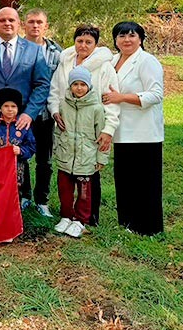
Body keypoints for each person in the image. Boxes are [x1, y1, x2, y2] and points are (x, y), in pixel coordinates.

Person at [0, 7, 51, 209]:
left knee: (18, 160)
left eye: (11, 20)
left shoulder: (34, 50)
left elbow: (42, 84)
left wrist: (29, 113)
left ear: (19, 23)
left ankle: (18, 201)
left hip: (19, 120)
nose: (7, 23)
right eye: (2, 20)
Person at [48, 24, 120, 225]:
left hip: (91, 126)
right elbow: (55, 91)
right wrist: (55, 111)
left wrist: (108, 129)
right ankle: (67, 215)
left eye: (89, 42)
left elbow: (111, 100)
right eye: (79, 41)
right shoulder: (65, 62)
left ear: (96, 44)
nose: (83, 45)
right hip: (68, 124)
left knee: (89, 174)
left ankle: (87, 217)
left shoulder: (104, 66)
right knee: (67, 174)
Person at [103, 21, 164, 236]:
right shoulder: (112, 60)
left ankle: (148, 227)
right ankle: (127, 222)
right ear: (115, 40)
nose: (126, 40)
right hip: (121, 130)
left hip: (144, 131)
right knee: (125, 179)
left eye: (132, 35)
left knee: (145, 181)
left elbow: (155, 94)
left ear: (140, 39)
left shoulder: (147, 61)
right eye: (121, 36)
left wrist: (122, 97)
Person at [53, 66, 108, 238]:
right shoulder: (64, 105)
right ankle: (66, 216)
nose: (79, 88)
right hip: (66, 156)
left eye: (83, 84)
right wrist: (57, 148)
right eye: (75, 84)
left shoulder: (96, 108)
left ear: (89, 86)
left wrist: (101, 158)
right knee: (64, 190)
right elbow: (58, 130)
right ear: (70, 86)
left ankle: (80, 220)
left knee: (84, 193)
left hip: (86, 158)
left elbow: (102, 135)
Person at [22, 9, 63, 217]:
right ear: (24, 25)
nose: (35, 26)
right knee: (21, 157)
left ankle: (42, 200)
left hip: (46, 114)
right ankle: (24, 195)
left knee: (44, 159)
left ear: (46, 26)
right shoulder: (17, 49)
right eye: (31, 22)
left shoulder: (56, 52)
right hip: (22, 114)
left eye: (39, 22)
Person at [0, 88, 37, 204]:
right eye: (6, 106)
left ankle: (15, 214)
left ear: (18, 108)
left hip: (16, 169)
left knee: (15, 195)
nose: (10, 109)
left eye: (13, 106)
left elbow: (31, 147)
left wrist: (20, 151)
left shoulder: (23, 126)